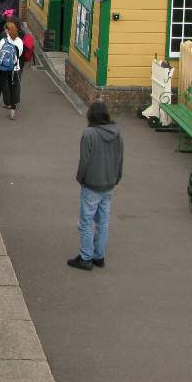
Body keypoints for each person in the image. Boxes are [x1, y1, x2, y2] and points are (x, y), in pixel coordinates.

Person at [69, 101, 124, 271]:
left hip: (92, 183)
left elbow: (84, 160)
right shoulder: (118, 134)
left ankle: (86, 258)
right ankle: (99, 256)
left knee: (86, 222)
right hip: (109, 183)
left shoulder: (89, 134)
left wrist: (80, 178)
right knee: (103, 222)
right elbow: (120, 158)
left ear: (91, 115)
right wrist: (117, 178)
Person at [0, 20, 23, 119]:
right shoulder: (19, 41)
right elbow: (19, 55)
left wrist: (2, 57)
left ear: (8, 31)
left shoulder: (4, 40)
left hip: (2, 69)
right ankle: (12, 112)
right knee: (13, 89)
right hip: (14, 69)